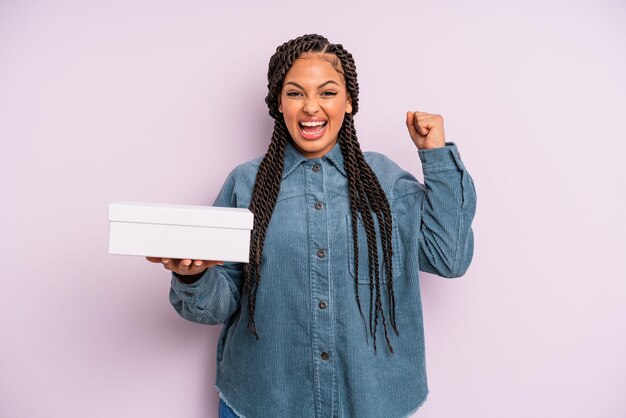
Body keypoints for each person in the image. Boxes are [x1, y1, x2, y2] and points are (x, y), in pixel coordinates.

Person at [147, 34, 476, 418]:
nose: (311, 107)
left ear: (349, 102)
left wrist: (435, 154)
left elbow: (449, 257)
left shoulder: (385, 181)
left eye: (327, 92)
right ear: (278, 104)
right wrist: (193, 278)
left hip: (372, 403)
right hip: (262, 400)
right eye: (295, 93)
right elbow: (217, 306)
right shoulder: (246, 184)